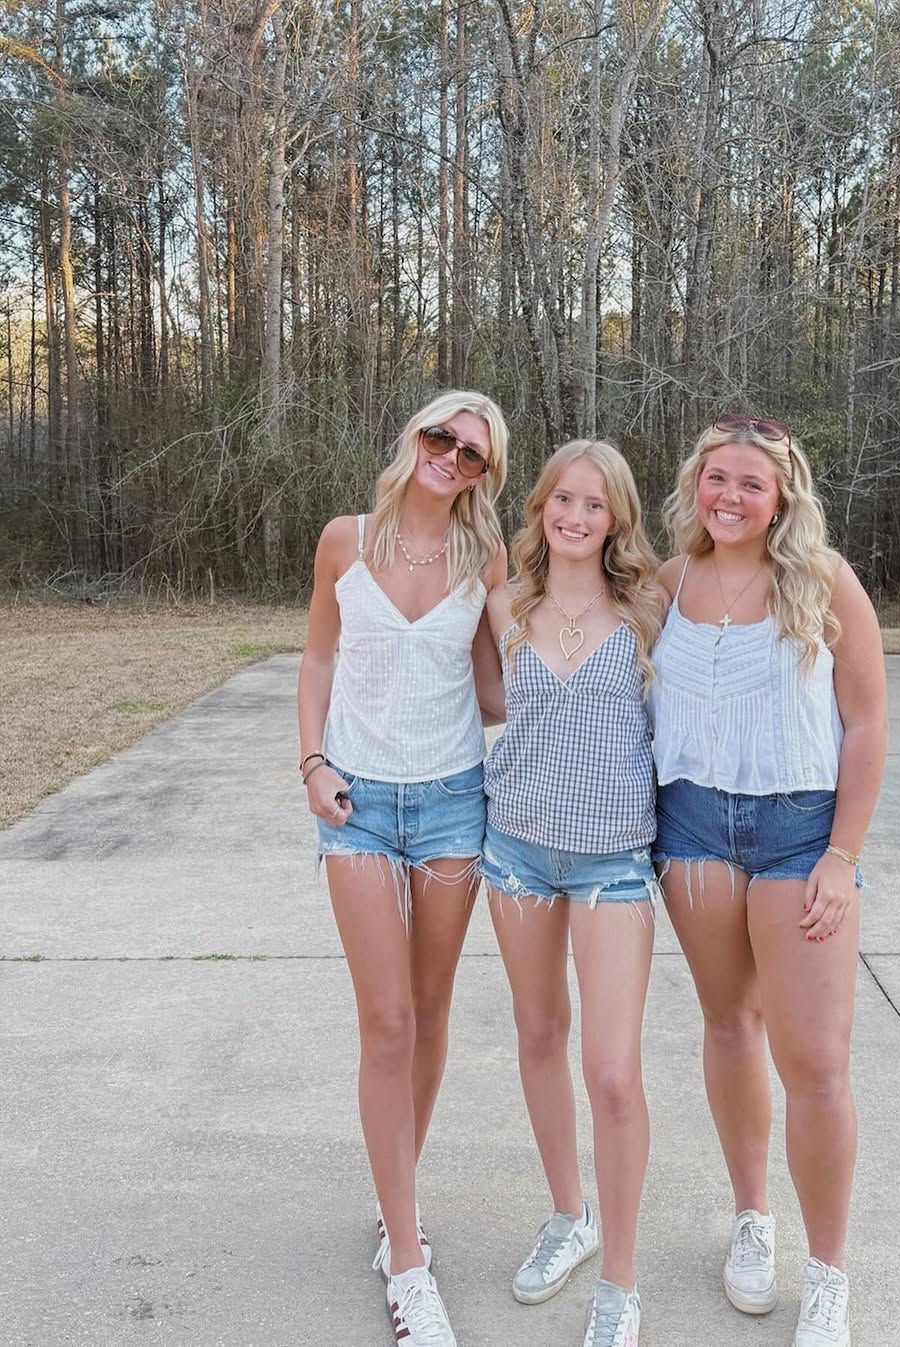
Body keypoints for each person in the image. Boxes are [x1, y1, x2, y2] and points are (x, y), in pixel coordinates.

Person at [651, 415, 888, 1347]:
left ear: (782, 494)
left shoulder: (824, 581)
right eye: (718, 478)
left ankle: (827, 1271)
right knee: (728, 1022)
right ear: (695, 485)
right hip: (692, 828)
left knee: (816, 1062)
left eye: (752, 482)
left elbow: (867, 724)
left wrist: (842, 854)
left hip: (800, 833)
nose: (732, 496)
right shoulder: (668, 582)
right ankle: (752, 1216)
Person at [296, 391, 508, 1347]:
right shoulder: (344, 539)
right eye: (440, 436)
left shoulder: (485, 555)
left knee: (428, 1011)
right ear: (414, 435)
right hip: (360, 808)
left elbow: (501, 683)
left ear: (484, 474)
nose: (450, 456)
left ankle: (397, 1207)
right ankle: (410, 1265)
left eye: (472, 453)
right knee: (385, 1020)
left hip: (454, 804)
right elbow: (317, 659)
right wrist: (312, 761)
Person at [480, 439, 666, 1347]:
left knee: (614, 1071)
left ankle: (620, 1283)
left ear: (617, 517)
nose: (577, 516)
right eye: (563, 498)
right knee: (539, 1033)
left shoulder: (650, 608)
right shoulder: (505, 602)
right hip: (514, 852)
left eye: (595, 503)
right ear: (540, 506)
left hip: (613, 864)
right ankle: (570, 1215)